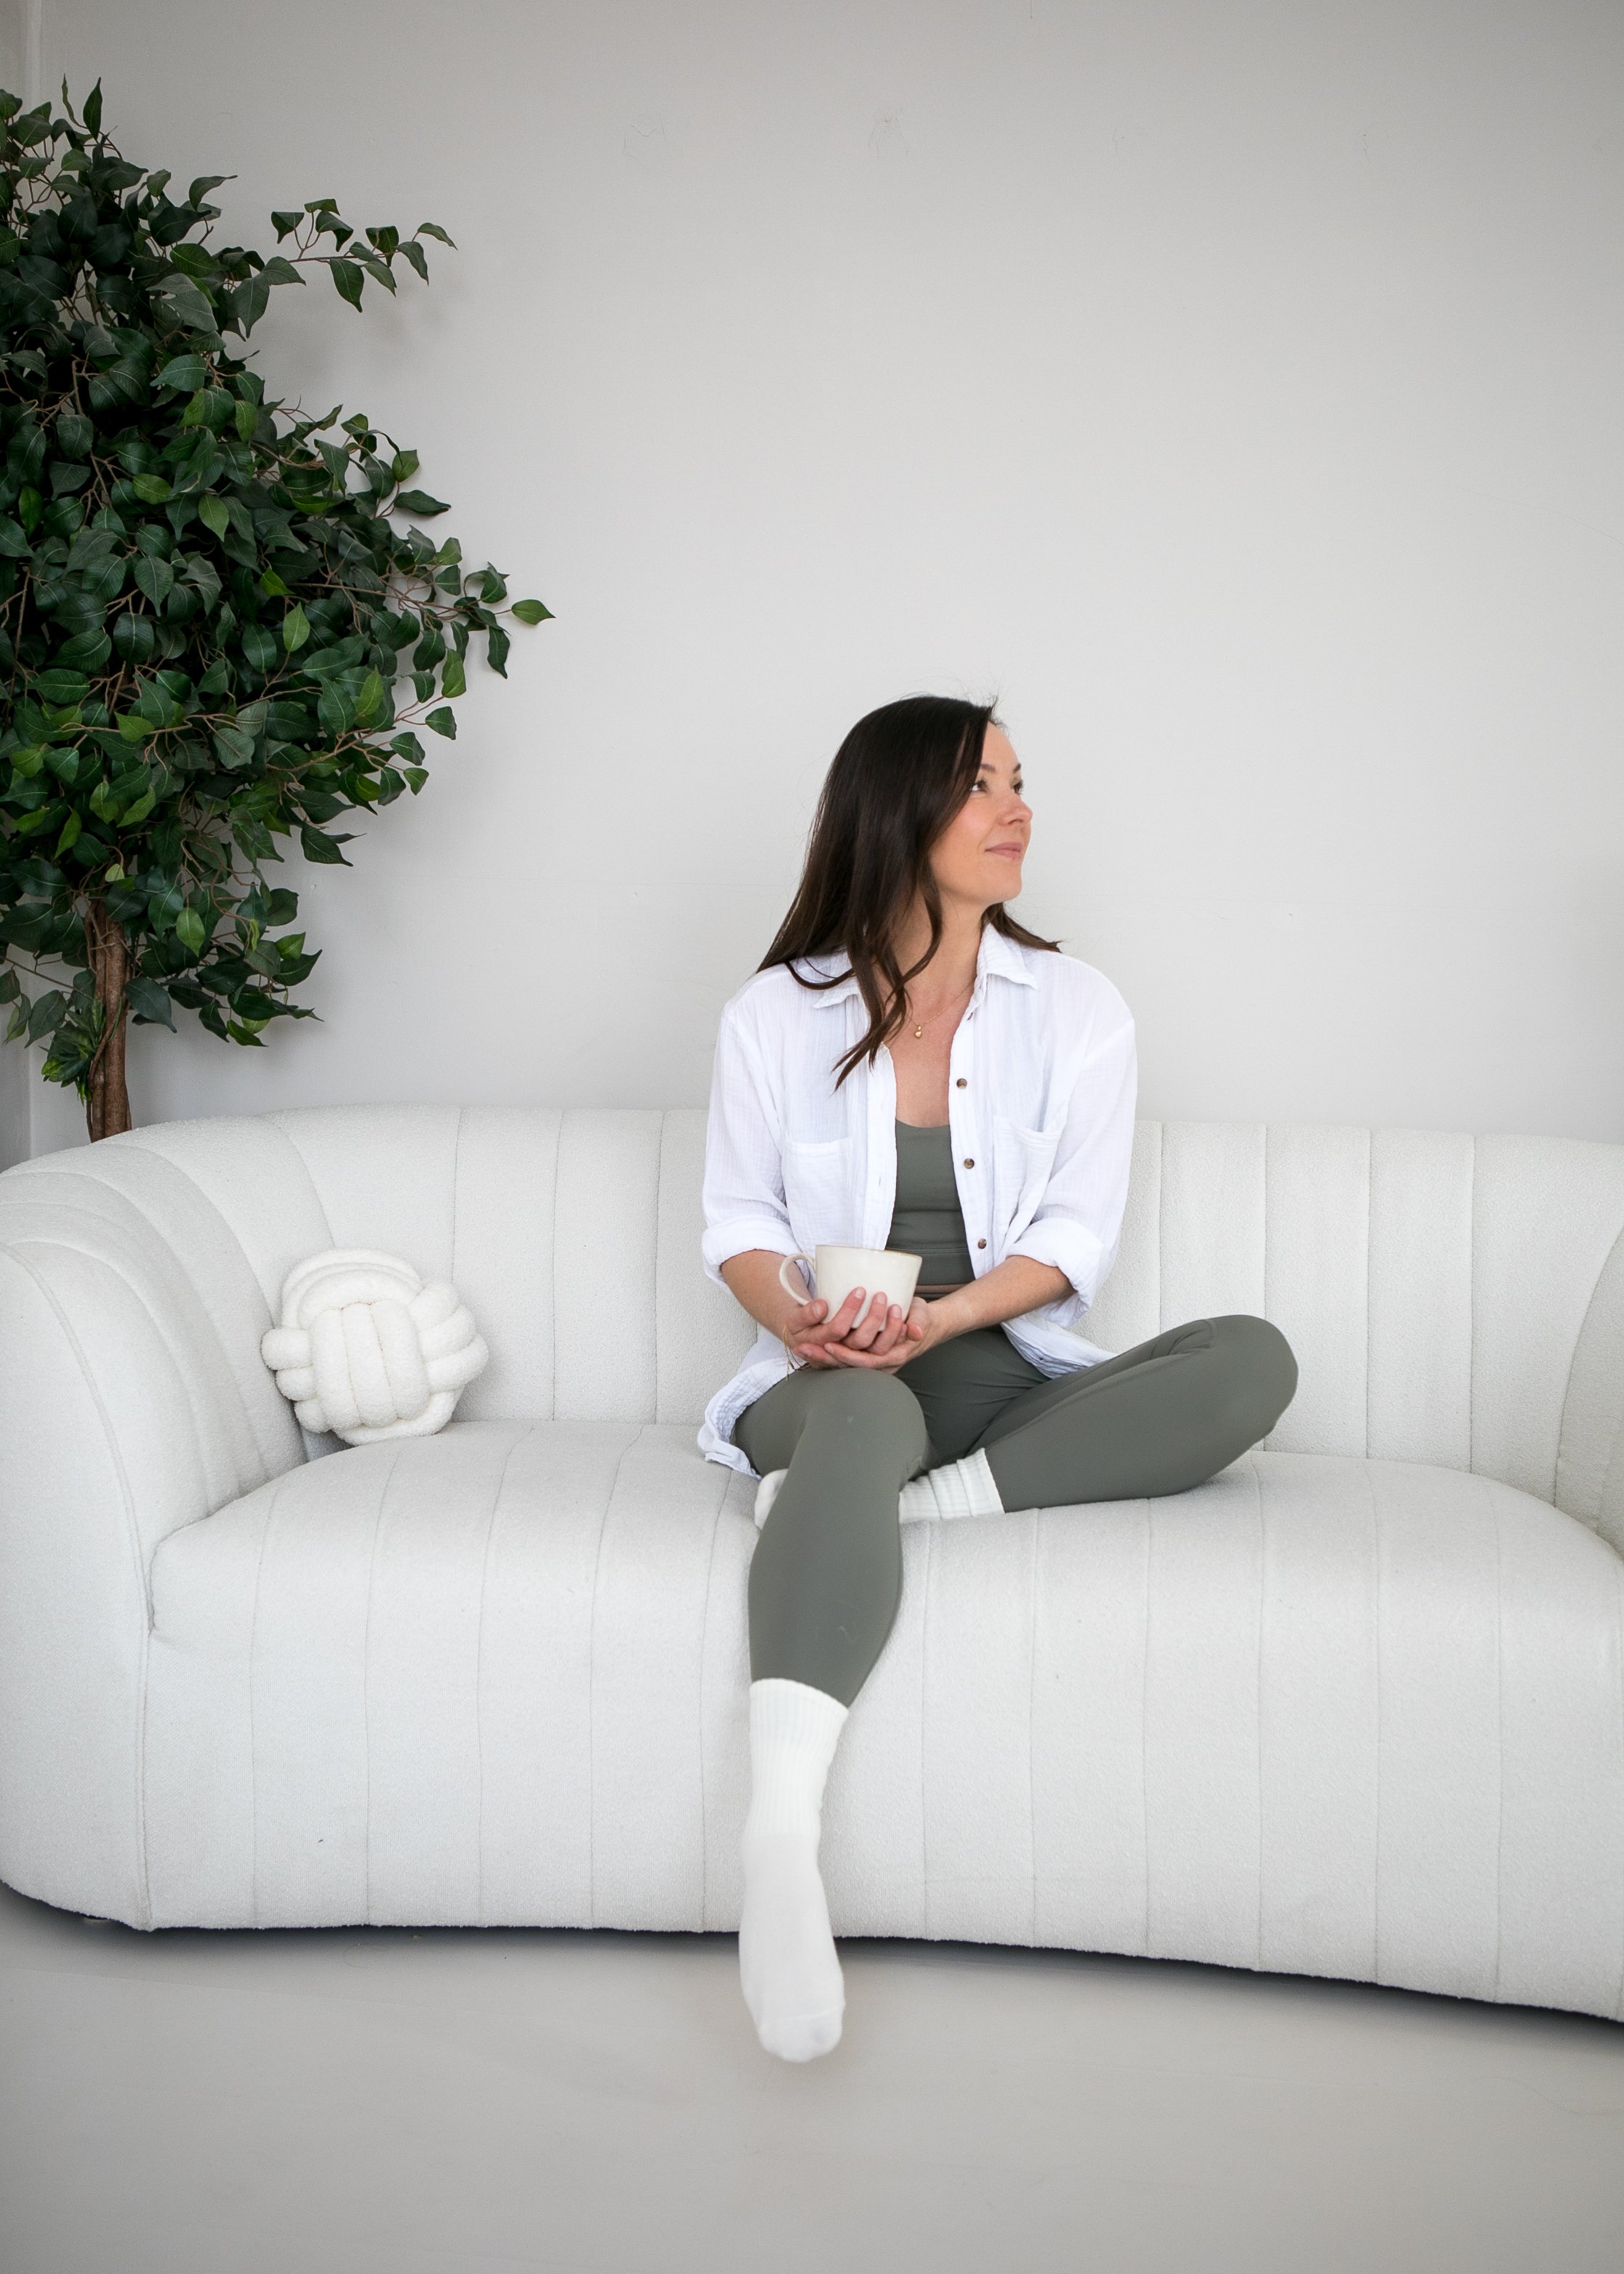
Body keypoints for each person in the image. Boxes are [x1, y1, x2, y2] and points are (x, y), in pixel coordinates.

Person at [699, 695, 1298, 2062]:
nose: (1018, 809)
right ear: (898, 806)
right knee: (862, 1411)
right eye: (982, 784)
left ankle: (881, 1510)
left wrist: (946, 1318)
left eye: (1021, 782)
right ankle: (781, 1835)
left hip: (993, 1376)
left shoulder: (1076, 1008)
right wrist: (804, 1322)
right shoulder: (774, 1013)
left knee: (1251, 1363)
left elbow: (1077, 1235)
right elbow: (735, 1221)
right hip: (827, 1382)